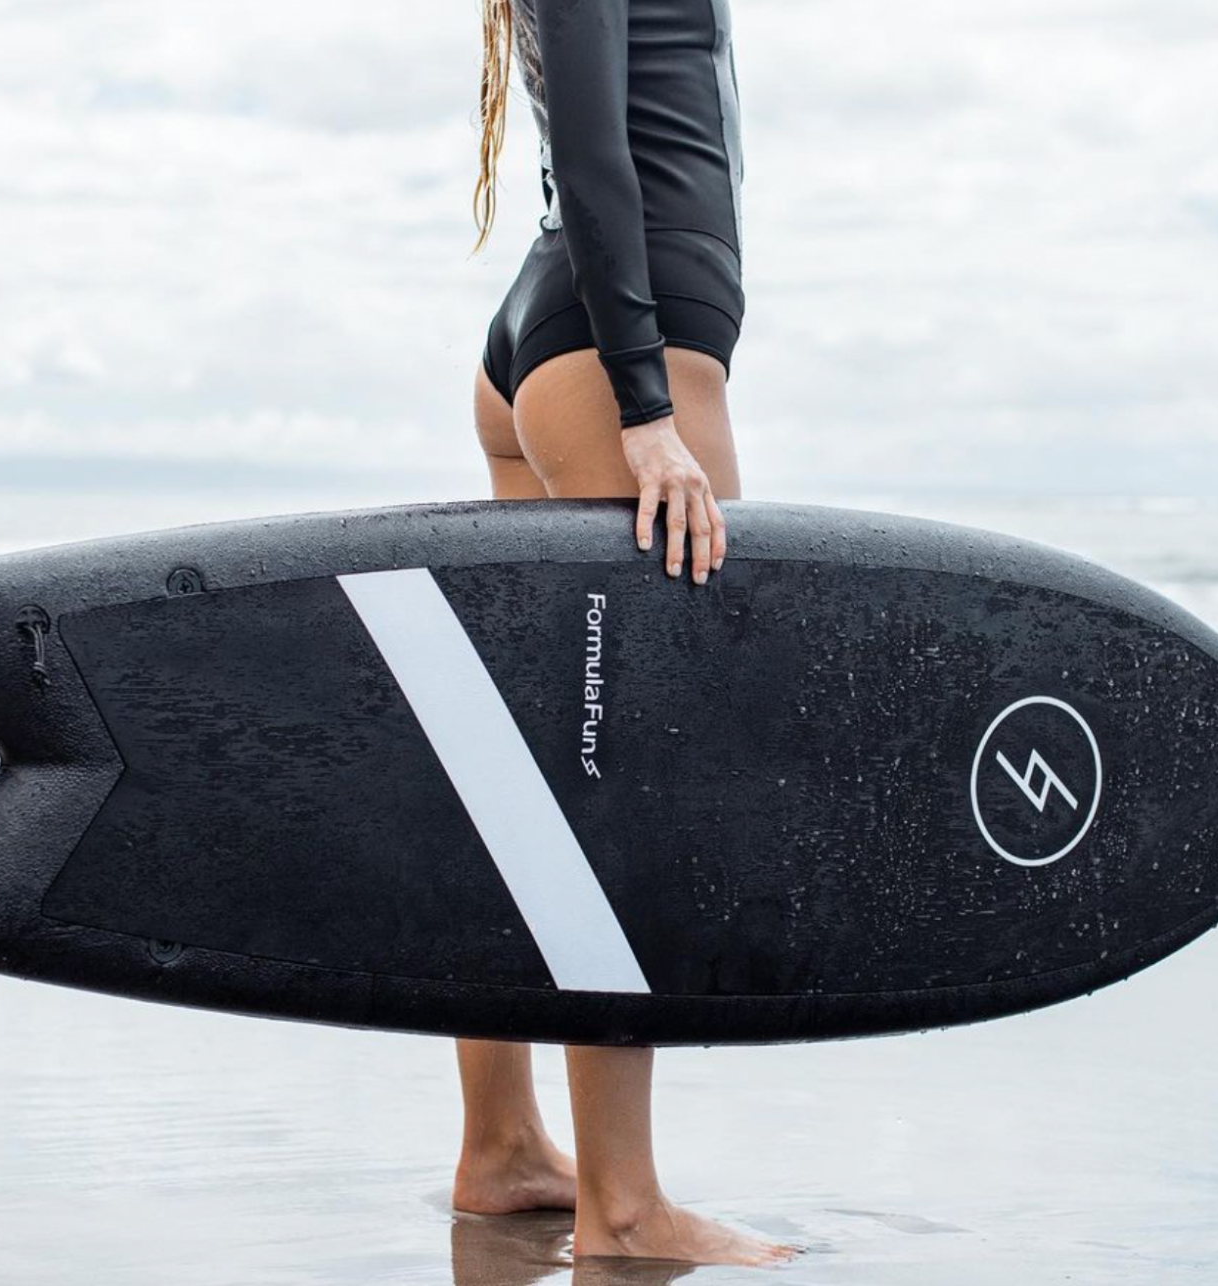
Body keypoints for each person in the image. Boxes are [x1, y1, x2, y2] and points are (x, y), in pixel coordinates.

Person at [456, 0, 798, 1269]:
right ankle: (624, 1204)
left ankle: (503, 1149)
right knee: (633, 788)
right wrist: (648, 407)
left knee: (530, 771)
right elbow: (600, 145)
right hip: (617, 351)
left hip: (556, 337)